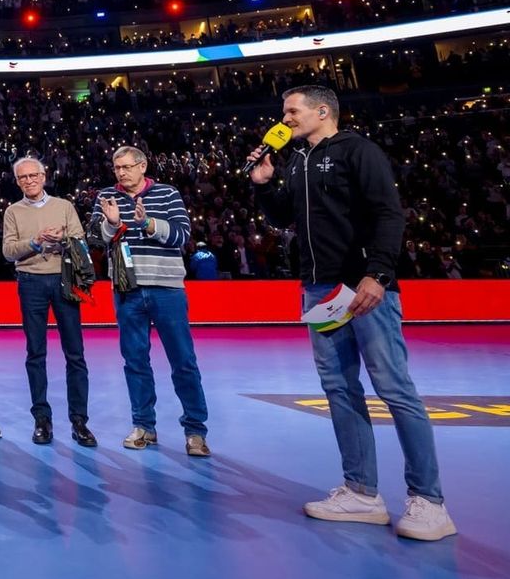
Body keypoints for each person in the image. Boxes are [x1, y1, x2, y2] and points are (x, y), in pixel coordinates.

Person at [250, 85, 455, 541]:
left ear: (323, 111)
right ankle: (362, 493)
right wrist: (263, 185)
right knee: (340, 389)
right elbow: (284, 218)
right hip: (320, 292)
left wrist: (377, 274)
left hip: (363, 289)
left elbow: (389, 214)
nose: (285, 119)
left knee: (394, 388)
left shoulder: (359, 151)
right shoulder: (297, 160)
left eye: (292, 111)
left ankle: (429, 501)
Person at [87, 146, 210, 457]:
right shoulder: (106, 196)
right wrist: (112, 223)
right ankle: (144, 426)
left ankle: (195, 430)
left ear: (142, 166)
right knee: (135, 361)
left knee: (183, 361)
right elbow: (96, 239)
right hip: (126, 290)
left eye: (127, 167)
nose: (121, 172)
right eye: (117, 168)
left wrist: (147, 224)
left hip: (166, 288)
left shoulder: (168, 194)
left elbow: (182, 236)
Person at [1, 157, 95, 448]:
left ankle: (79, 421)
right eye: (23, 177)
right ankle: (42, 419)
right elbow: (8, 251)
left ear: (44, 177)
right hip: (30, 281)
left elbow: (80, 241)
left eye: (34, 175)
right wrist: (36, 242)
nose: (29, 180)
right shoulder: (13, 211)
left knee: (75, 353)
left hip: (64, 280)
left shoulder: (64, 206)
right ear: (18, 182)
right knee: (35, 353)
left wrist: (62, 239)